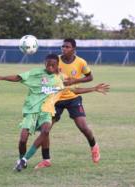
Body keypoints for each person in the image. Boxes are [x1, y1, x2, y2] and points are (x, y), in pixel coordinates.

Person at [0, 53, 109, 172]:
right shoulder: (36, 73)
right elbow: (19, 77)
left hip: (47, 110)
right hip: (32, 110)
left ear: (57, 66)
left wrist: (93, 88)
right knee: (23, 139)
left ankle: (24, 160)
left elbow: (75, 90)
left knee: (46, 130)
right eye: (48, 65)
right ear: (44, 64)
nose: (50, 68)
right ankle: (22, 159)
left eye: (53, 65)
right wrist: (1, 78)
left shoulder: (61, 78)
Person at [35, 38, 101, 169]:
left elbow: (90, 77)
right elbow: (47, 74)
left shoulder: (81, 62)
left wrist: (74, 80)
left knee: (83, 127)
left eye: (67, 47)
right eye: (62, 46)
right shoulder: (56, 60)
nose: (64, 49)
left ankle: (94, 146)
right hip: (56, 98)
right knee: (45, 130)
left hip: (73, 96)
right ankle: (46, 160)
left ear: (73, 49)